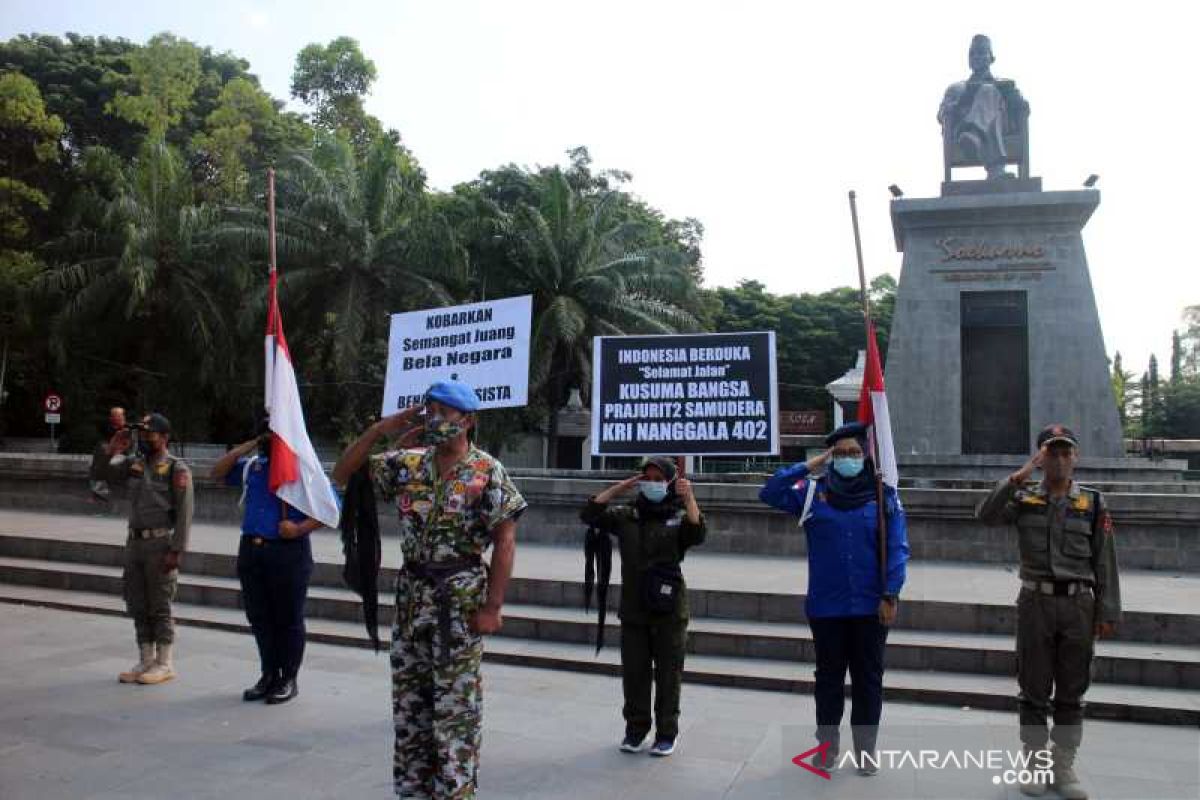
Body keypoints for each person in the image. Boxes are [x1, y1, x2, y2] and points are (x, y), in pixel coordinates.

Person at [332, 380, 526, 800]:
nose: (434, 418)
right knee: (410, 705)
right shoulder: (408, 464)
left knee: (455, 709)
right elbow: (342, 473)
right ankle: (414, 790)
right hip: (411, 599)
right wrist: (379, 431)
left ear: (468, 420)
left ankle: (455, 791)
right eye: (430, 410)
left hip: (459, 601)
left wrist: (493, 606)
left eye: (444, 411)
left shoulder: (486, 471)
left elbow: (506, 540)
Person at [977, 424, 1121, 800]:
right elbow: (985, 514)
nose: (1058, 459)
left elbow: (1104, 561)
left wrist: (1107, 612)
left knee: (1073, 691)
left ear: (1075, 458)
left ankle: (1064, 765)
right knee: (1034, 691)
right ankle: (1035, 764)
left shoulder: (1092, 503)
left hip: (1078, 605)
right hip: (1036, 603)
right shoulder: (1024, 498)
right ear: (1040, 458)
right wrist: (1020, 475)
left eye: (1064, 452)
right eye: (1050, 452)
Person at [758, 422, 909, 775]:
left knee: (868, 680)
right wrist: (810, 464)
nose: (847, 459)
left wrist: (891, 593)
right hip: (827, 606)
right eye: (839, 454)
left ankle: (866, 751)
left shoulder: (882, 495)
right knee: (828, 680)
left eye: (854, 453)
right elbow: (769, 491)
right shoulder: (813, 494)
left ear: (866, 456)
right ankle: (826, 748)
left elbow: (899, 548)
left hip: (871, 605)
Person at [580, 456, 705, 758]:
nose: (652, 483)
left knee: (668, 674)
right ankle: (635, 730)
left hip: (669, 609)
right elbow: (590, 514)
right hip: (634, 608)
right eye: (647, 478)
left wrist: (689, 497)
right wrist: (620, 487)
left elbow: (697, 533)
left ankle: (666, 733)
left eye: (659, 479)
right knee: (634, 674)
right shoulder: (628, 515)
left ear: (670, 483)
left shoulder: (677, 514)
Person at [210, 416, 326, 704]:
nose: (267, 438)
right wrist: (247, 446)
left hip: (287, 551)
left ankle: (288, 678)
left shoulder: (302, 468)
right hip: (252, 548)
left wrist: (299, 528)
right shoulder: (254, 466)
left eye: (272, 432)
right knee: (260, 617)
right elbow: (217, 473)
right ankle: (268, 674)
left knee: (288, 618)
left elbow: (330, 508)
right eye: (264, 432)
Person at [105, 412, 193, 685]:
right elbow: (101, 477)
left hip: (159, 542)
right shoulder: (134, 464)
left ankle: (164, 662)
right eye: (141, 433)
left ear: (164, 437)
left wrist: (176, 550)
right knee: (137, 602)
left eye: (149, 433)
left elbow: (185, 513)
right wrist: (113, 448)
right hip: (135, 542)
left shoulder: (177, 469)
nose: (144, 438)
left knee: (160, 603)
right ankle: (145, 658)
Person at [938, 34, 1029, 179]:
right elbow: (942, 113)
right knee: (988, 90)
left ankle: (974, 134)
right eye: (972, 54)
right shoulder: (956, 88)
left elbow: (1024, 108)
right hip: (961, 131)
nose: (976, 57)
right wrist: (962, 100)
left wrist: (1012, 96)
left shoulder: (1004, 84)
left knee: (988, 90)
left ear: (991, 58)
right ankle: (996, 170)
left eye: (981, 52)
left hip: (997, 127)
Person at [88, 406, 125, 501]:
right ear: (111, 418)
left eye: (122, 415)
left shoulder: (127, 430)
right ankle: (98, 490)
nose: (122, 418)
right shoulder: (106, 431)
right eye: (119, 416)